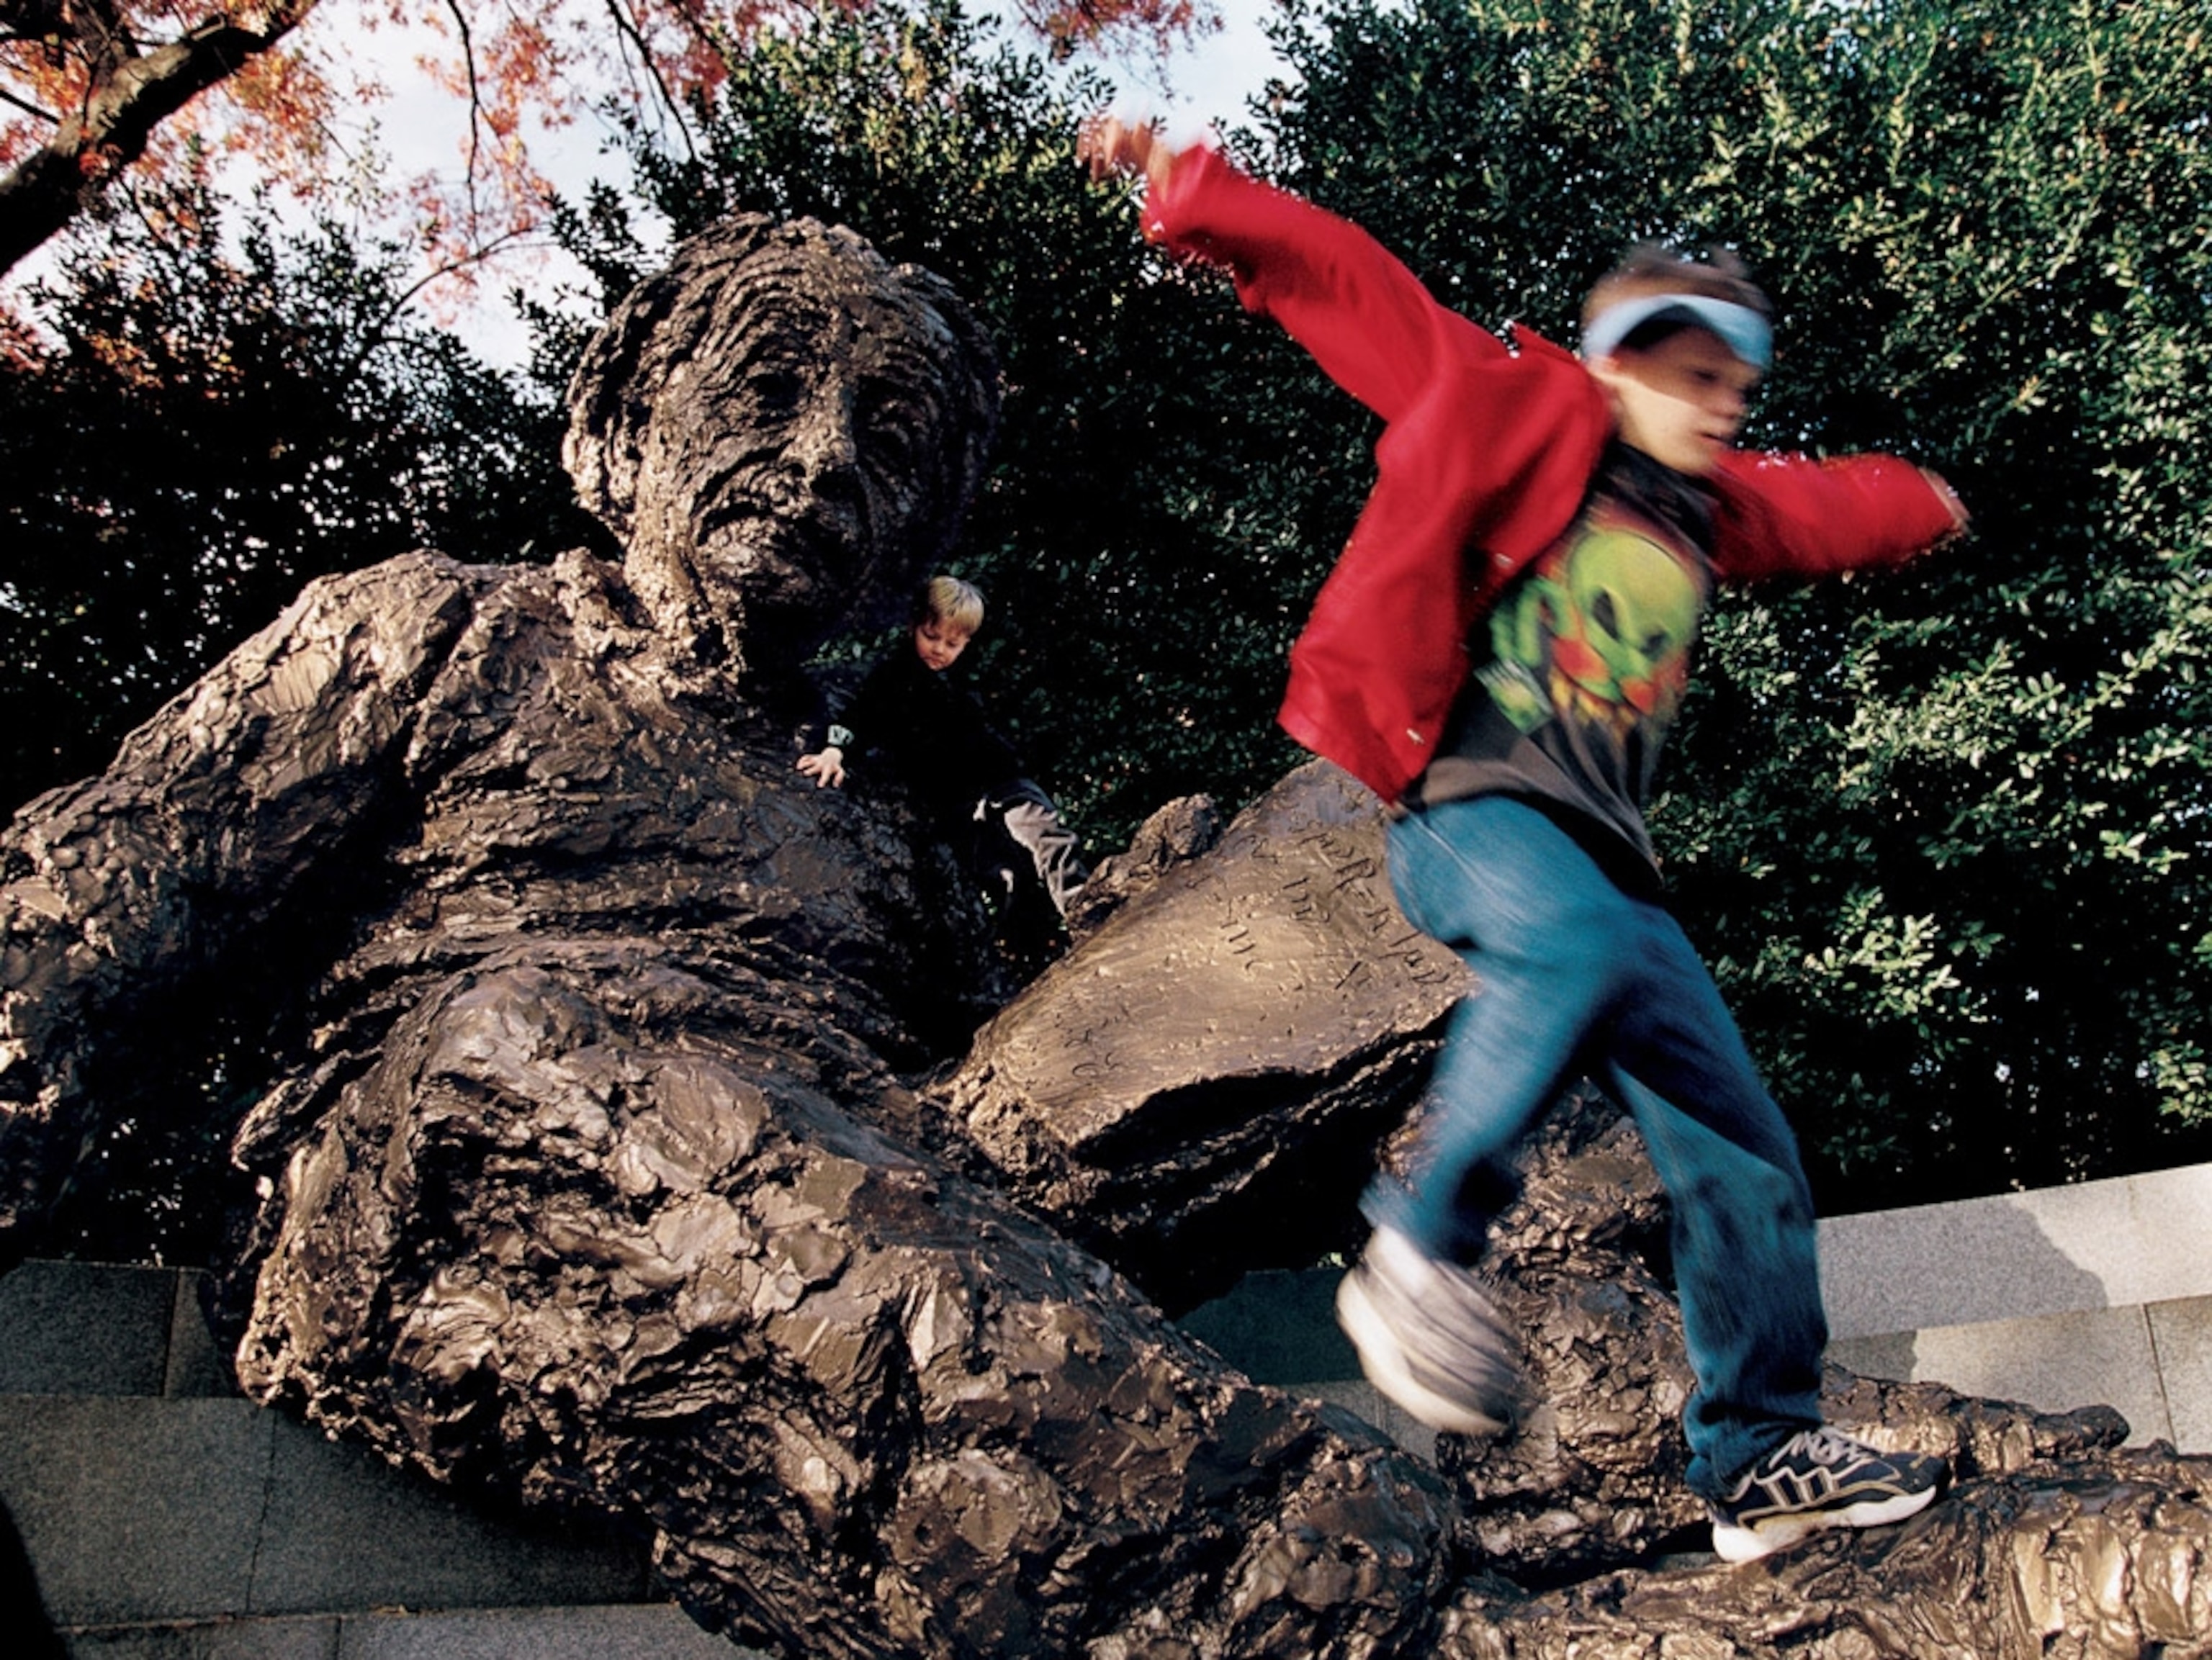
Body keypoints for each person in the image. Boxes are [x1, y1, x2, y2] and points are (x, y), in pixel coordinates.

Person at [1080, 116, 1969, 1563]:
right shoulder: (1516, 408)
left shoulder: (1705, 508)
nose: (1722, 406)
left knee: (1744, 1150)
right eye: (1694, 377)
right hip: (1471, 814)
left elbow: (1815, 509)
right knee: (1573, 937)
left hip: (1614, 876)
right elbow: (1356, 287)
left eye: (1738, 385)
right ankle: (1418, 1248)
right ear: (1618, 361)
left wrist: (1924, 500)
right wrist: (1191, 192)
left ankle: (1755, 1454)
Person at [797, 573, 1088, 934]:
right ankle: (1028, 945)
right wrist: (834, 751)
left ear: (967, 643)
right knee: (1005, 876)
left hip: (1001, 781)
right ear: (913, 625)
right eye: (931, 637)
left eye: (953, 644)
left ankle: (1085, 909)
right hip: (956, 805)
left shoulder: (964, 677)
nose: (940, 650)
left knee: (1047, 835)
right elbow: (860, 716)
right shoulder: (894, 676)